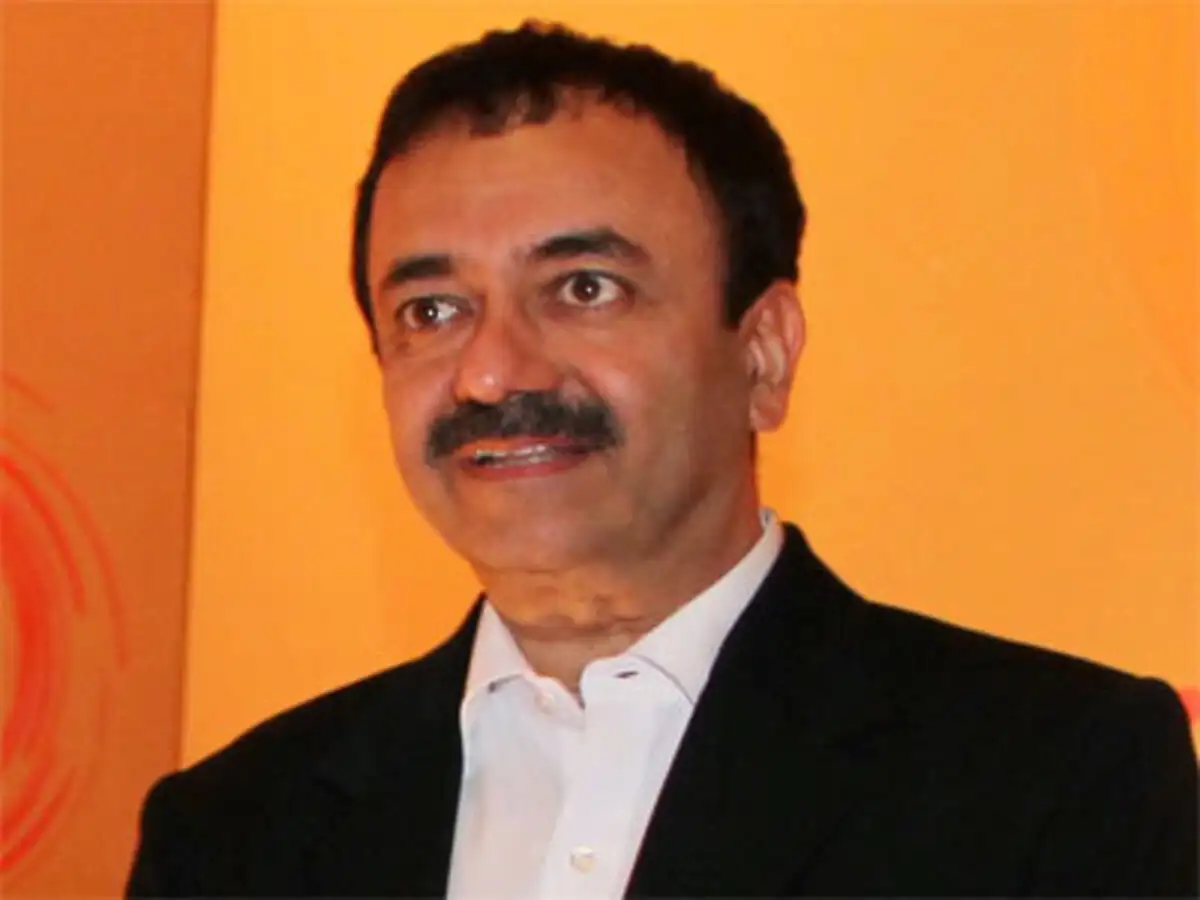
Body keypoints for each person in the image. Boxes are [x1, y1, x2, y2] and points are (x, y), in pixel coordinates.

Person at [126, 21, 1197, 898]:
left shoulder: (1051, 778)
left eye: (583, 288)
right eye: (432, 310)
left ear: (763, 353)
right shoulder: (235, 832)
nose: (490, 372)